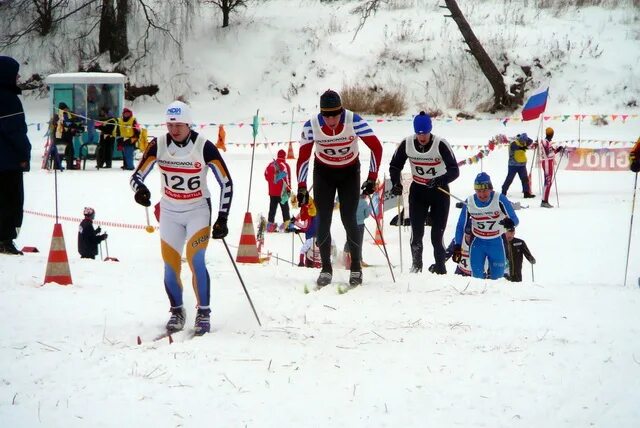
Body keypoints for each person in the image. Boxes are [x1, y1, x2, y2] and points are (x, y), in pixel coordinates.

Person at [130, 100, 233, 336]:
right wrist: (140, 190)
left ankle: (203, 312)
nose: (174, 130)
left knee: (195, 259)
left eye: (179, 125)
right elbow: (136, 177)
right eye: (170, 124)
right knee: (170, 264)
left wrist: (223, 217)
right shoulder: (159, 144)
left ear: (189, 124)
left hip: (198, 210)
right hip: (170, 211)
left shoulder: (204, 146)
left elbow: (226, 182)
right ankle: (177, 310)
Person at [296, 89, 383, 287]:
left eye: (335, 114)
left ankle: (356, 268)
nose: (331, 119)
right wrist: (301, 187)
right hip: (324, 173)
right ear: (321, 113)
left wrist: (372, 178)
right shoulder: (312, 125)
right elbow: (302, 158)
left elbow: (376, 148)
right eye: (327, 115)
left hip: (349, 173)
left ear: (341, 111)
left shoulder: (353, 120)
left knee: (348, 217)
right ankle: (326, 268)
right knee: (323, 217)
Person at [389, 111, 460, 273]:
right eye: (419, 134)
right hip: (418, 192)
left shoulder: (440, 144)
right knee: (417, 232)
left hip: (439, 192)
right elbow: (395, 166)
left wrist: (440, 180)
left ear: (430, 130)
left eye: (425, 134)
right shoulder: (407, 143)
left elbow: (454, 170)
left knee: (436, 235)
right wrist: (396, 183)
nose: (422, 137)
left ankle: (440, 268)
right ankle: (416, 266)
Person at [454, 172, 519, 280]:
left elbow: (515, 220)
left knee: (497, 280)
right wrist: (457, 246)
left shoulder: (500, 199)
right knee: (477, 280)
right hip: (477, 243)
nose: (482, 195)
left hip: (497, 242)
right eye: (478, 191)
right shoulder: (470, 201)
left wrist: (510, 223)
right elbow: (461, 225)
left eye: (485, 191)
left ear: (490, 189)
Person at [0, 56, 31, 255]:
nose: (18, 77)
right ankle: (5, 239)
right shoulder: (8, 99)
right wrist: (24, 154)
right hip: (8, 162)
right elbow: (15, 131)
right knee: (10, 200)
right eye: (15, 73)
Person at [264, 149, 291, 232]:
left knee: (272, 210)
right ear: (284, 156)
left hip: (272, 192)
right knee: (285, 209)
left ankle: (269, 226)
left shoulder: (270, 165)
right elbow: (287, 178)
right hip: (282, 193)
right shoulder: (285, 165)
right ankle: (287, 226)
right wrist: (289, 188)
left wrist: (273, 182)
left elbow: (266, 175)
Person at [501, 133, 535, 198]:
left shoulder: (524, 142)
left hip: (522, 165)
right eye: (522, 141)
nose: (524, 142)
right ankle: (503, 191)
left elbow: (531, 141)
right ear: (520, 139)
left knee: (525, 179)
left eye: (525, 141)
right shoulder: (513, 143)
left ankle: (526, 193)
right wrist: (522, 147)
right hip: (513, 165)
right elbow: (516, 147)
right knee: (509, 179)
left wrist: (525, 137)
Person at [343, 193, 372, 267]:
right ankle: (359, 260)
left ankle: (345, 258)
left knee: (349, 240)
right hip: (360, 225)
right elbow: (367, 214)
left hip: (350, 224)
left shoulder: (350, 200)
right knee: (359, 242)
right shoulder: (364, 202)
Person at [539, 127, 565, 208]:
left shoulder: (547, 142)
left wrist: (558, 149)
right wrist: (555, 152)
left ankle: (544, 200)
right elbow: (549, 154)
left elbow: (551, 152)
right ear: (551, 134)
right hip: (547, 162)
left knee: (547, 182)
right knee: (548, 182)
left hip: (547, 162)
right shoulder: (546, 143)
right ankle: (544, 201)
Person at [55, 102, 84, 170]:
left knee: (61, 152)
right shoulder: (62, 115)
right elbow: (68, 124)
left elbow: (71, 122)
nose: (67, 109)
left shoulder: (61, 114)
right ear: (64, 108)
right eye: (66, 108)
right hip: (63, 136)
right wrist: (76, 126)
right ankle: (69, 166)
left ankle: (57, 165)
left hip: (62, 136)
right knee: (69, 151)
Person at [293, 197, 319, 267]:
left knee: (303, 250)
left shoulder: (308, 213)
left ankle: (302, 263)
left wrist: (295, 223)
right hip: (319, 238)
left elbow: (306, 227)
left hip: (311, 238)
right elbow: (310, 227)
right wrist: (299, 230)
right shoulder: (317, 213)